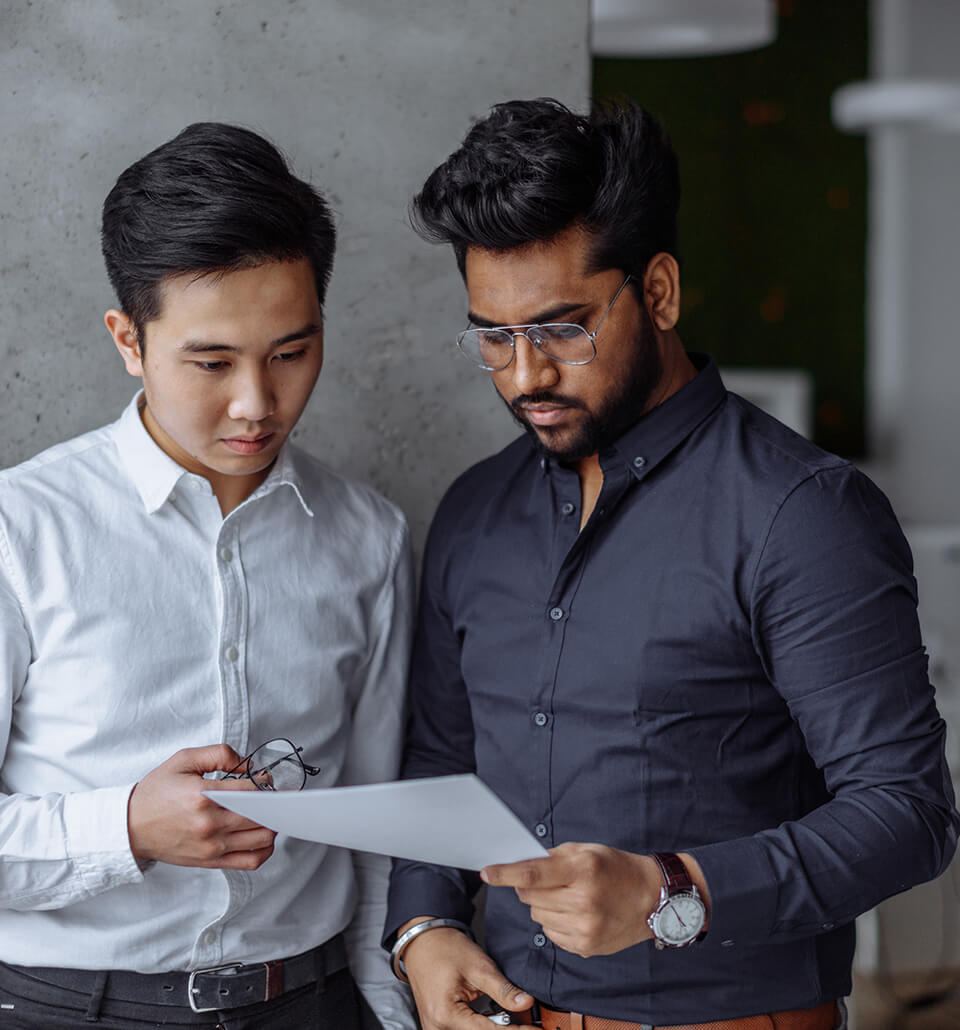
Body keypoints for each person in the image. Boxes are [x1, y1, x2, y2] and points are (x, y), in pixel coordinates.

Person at [384, 98, 960, 1030]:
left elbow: (908, 812)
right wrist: (424, 925)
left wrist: (673, 891)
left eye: (562, 329)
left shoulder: (801, 516)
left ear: (658, 292)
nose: (525, 374)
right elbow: (445, 760)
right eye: (493, 336)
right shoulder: (474, 514)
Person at [0, 123, 415, 1030]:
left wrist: (387, 1011)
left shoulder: (370, 538)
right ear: (128, 340)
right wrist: (126, 829)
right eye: (211, 361)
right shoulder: (17, 530)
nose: (257, 404)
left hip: (311, 1003)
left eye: (291, 353)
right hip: (65, 1010)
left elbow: (375, 829)